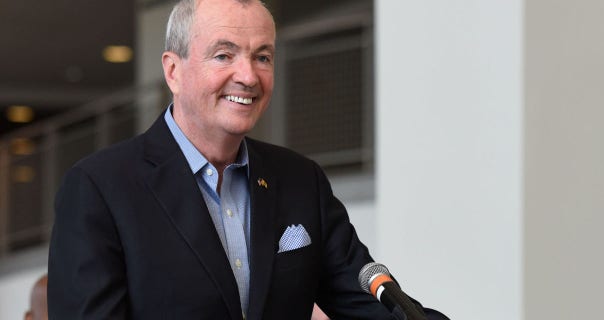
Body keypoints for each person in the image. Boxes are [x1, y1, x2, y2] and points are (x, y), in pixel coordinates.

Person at [48, 0, 448, 319]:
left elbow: (369, 303)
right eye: (224, 55)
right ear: (173, 71)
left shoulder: (300, 180)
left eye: (263, 57)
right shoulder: (100, 188)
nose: (249, 76)